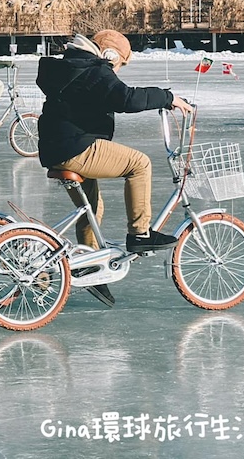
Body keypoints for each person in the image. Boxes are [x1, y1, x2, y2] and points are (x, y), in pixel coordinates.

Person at [36, 30, 193, 307]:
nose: (117, 69)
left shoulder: (73, 66)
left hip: (57, 148)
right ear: (109, 54)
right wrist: (167, 97)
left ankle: (90, 269)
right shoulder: (94, 69)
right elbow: (126, 99)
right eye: (119, 63)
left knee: (92, 210)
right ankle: (140, 234)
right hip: (75, 147)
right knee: (139, 163)